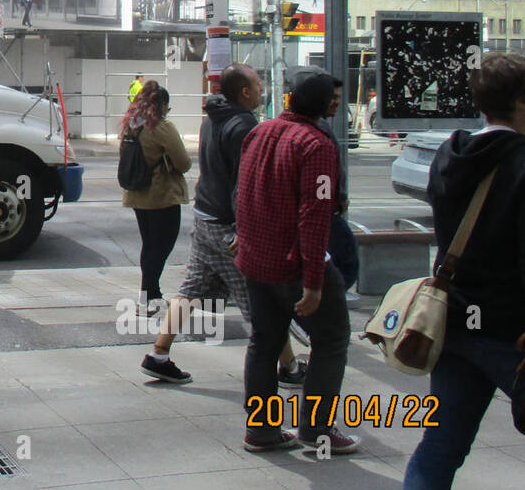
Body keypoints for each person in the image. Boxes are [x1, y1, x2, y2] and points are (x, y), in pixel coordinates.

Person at [397, 52, 525, 490]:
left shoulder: (450, 157)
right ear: (518, 101)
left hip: (451, 323)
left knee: (441, 446)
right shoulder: (520, 163)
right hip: (509, 329)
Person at [141, 64, 307, 386]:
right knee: (258, 299)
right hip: (227, 226)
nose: (262, 89)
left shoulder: (212, 119)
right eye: (258, 84)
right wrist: (244, 230)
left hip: (204, 216)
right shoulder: (245, 125)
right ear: (244, 92)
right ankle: (287, 368)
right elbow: (243, 184)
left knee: (191, 289)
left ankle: (158, 355)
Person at [236, 69, 359, 454]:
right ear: (322, 105)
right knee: (332, 337)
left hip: (256, 260)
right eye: (333, 99)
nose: (337, 104)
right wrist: (314, 278)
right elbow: (315, 213)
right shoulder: (316, 145)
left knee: (264, 341)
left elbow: (244, 190)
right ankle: (317, 430)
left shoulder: (261, 131)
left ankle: (262, 431)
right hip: (294, 263)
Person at [120, 81, 192, 312]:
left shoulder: (131, 126)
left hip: (137, 195)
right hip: (162, 196)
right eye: (166, 107)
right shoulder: (162, 127)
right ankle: (149, 297)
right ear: (161, 105)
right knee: (162, 247)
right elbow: (184, 162)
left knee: (149, 245)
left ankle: (152, 294)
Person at [315, 71, 361, 298]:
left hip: (325, 211)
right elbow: (324, 176)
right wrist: (334, 201)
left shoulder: (320, 127)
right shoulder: (318, 132)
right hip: (324, 213)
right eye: (332, 96)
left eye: (339, 96)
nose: (337, 102)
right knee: (346, 264)